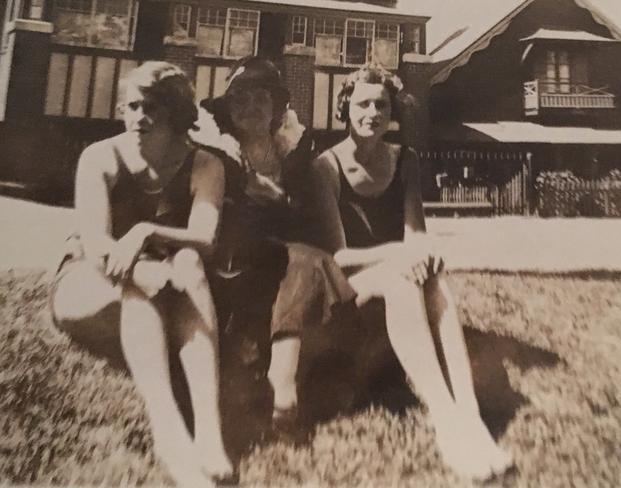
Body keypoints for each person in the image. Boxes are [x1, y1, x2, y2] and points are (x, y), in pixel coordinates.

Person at [307, 63, 513, 480]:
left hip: (394, 272)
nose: (372, 113)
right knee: (402, 280)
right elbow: (339, 257)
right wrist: (402, 257)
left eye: (381, 105)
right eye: (362, 104)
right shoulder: (325, 166)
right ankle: (446, 420)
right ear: (345, 108)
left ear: (392, 112)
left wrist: (426, 254)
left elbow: (415, 234)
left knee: (435, 278)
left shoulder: (406, 160)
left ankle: (468, 415)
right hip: (350, 286)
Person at [50, 61, 232, 487]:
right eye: (131, 107)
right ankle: (169, 433)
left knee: (187, 262)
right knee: (141, 281)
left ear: (175, 113)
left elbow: (205, 240)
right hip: (85, 283)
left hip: (167, 278)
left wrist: (146, 230)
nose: (138, 117)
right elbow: (96, 248)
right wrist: (140, 261)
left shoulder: (205, 164)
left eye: (151, 107)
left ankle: (208, 431)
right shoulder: (101, 156)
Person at [190, 57, 356, 427]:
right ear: (227, 108)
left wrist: (278, 198)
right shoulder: (212, 152)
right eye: (240, 99)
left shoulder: (295, 153)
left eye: (260, 99)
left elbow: (313, 223)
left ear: (277, 108)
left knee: (307, 259)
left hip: (284, 267)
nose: (250, 107)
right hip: (230, 264)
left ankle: (282, 381)